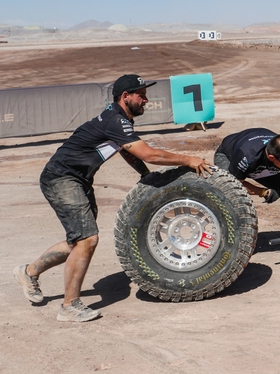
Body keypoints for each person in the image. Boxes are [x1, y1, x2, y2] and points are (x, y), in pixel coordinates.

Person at [14, 74, 211, 322]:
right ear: (125, 97)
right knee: (87, 239)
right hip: (61, 178)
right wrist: (189, 159)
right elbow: (148, 153)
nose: (146, 100)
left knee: (78, 242)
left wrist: (145, 177)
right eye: (141, 94)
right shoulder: (115, 121)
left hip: (78, 179)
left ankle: (29, 272)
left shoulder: (118, 119)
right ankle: (69, 306)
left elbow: (128, 152)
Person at [213, 128, 280, 252]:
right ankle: (228, 243)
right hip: (228, 156)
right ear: (272, 157)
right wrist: (263, 192)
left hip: (265, 165)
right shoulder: (247, 157)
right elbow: (235, 186)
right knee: (231, 196)